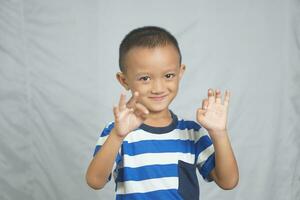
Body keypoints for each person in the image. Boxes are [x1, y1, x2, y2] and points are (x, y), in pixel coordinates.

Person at [86, 26, 239, 200]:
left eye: (168, 76)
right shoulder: (117, 131)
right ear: (124, 80)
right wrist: (117, 136)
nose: (158, 88)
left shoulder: (192, 132)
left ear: (180, 73)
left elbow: (228, 182)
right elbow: (95, 181)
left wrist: (219, 133)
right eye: (145, 78)